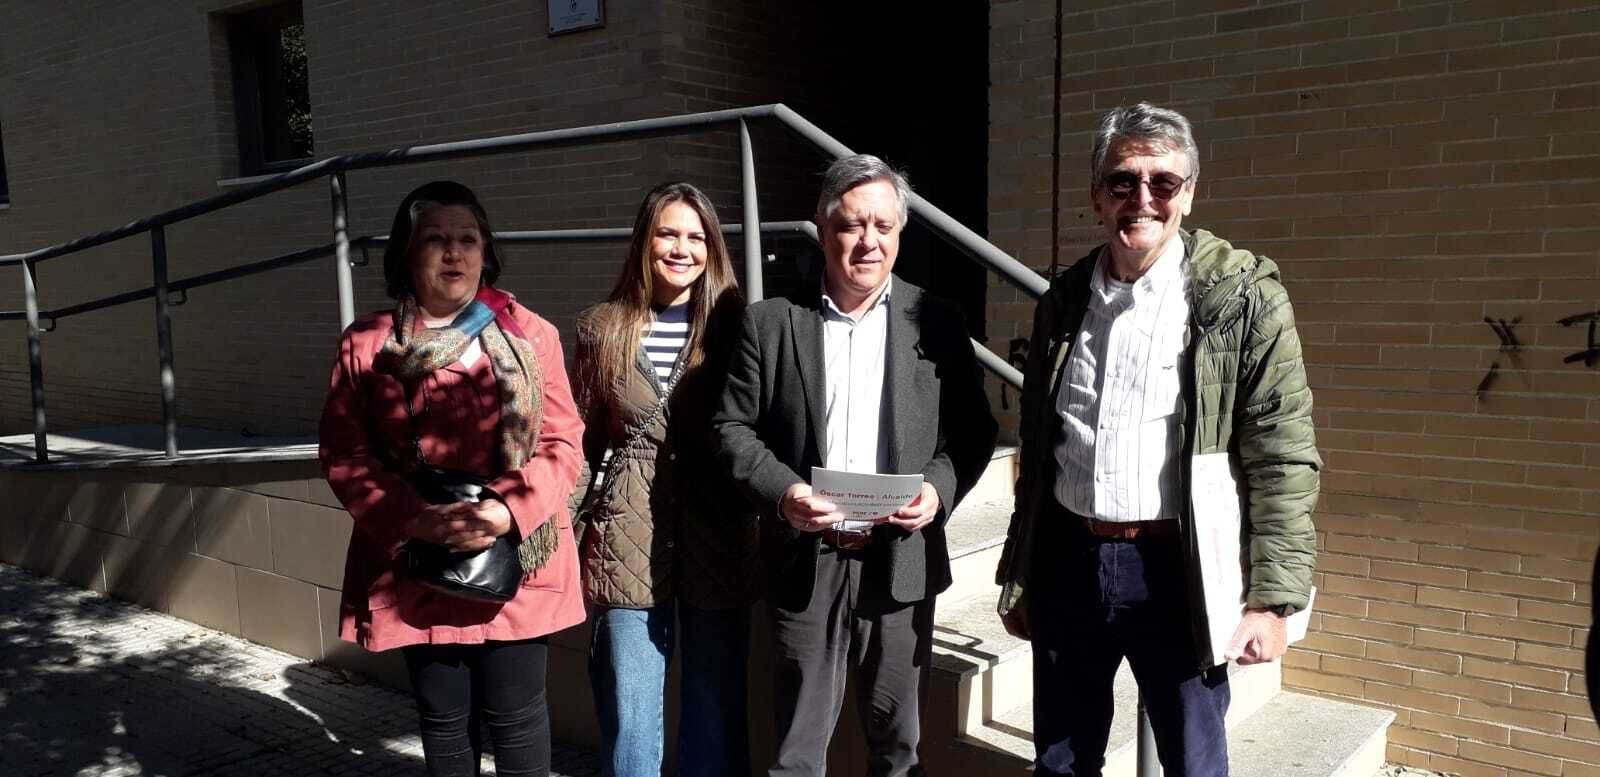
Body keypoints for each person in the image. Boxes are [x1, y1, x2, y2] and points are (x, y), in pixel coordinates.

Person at [994, 102, 1321, 777]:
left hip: (1180, 569)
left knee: (1192, 761)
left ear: (1189, 193)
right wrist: (1020, 575)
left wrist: (1272, 597)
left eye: (1162, 183)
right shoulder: (1063, 301)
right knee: (1060, 758)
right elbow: (1038, 445)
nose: (1141, 199)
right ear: (1096, 195)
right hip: (1070, 559)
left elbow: (1282, 454)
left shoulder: (1242, 298)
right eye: (1122, 181)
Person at [713, 154, 998, 777]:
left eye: (883, 227)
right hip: (806, 560)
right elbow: (730, 426)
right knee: (795, 753)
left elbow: (975, 432)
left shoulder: (937, 319)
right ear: (822, 227)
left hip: (899, 559)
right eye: (851, 225)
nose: (868, 241)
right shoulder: (772, 322)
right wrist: (782, 491)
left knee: (898, 748)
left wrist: (938, 489)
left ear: (899, 234)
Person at [319, 180, 585, 777]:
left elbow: (563, 442)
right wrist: (417, 520)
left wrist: (501, 512)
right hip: (420, 559)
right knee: (443, 723)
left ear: (485, 252)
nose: (454, 253)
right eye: (435, 240)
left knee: (518, 723)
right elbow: (344, 452)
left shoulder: (530, 334)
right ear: (407, 255)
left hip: (517, 554)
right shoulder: (368, 343)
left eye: (467, 239)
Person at [570, 182, 758, 777]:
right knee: (630, 712)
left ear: (713, 248)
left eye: (696, 237)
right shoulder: (602, 329)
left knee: (714, 704)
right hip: (627, 535)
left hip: (715, 533)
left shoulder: (739, 327)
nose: (682, 248)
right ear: (644, 242)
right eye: (668, 233)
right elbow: (579, 440)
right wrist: (551, 535)